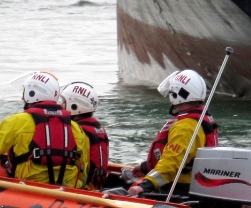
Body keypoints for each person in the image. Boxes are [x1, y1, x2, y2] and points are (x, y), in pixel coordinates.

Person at [126, 69, 219, 198]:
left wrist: (145, 185)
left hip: (178, 189)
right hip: (192, 184)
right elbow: (182, 157)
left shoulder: (185, 127)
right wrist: (145, 166)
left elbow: (171, 162)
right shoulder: (197, 120)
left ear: (177, 94)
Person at [59, 81, 109, 190]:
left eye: (63, 101)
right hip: (96, 185)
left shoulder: (77, 131)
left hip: (83, 188)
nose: (60, 105)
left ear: (74, 105)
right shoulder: (98, 129)